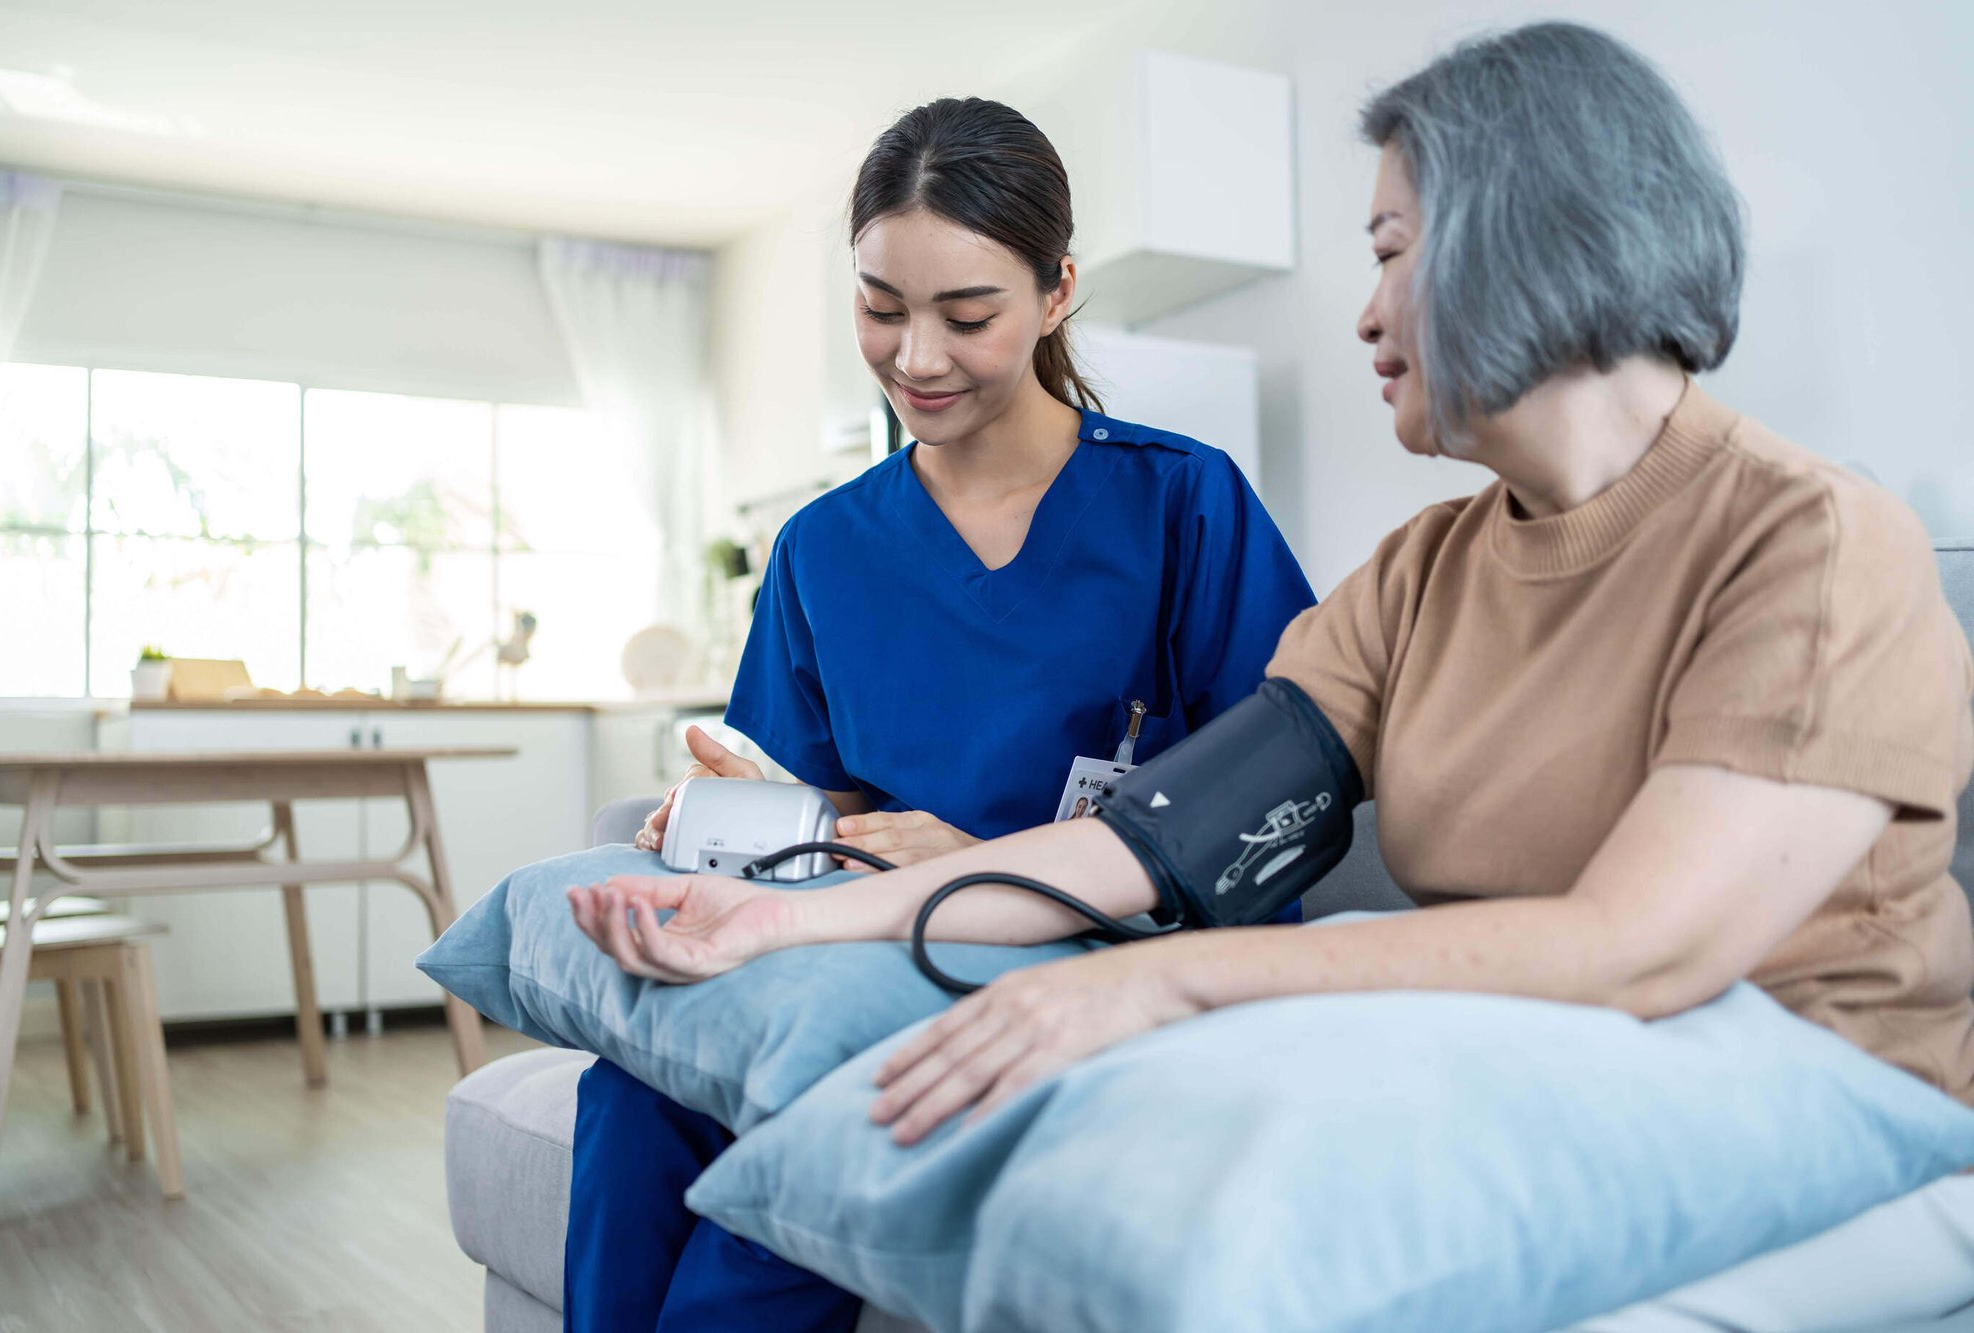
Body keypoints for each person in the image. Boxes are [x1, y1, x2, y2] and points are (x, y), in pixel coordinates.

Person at [576, 15, 1974, 1199]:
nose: (1363, 316)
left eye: (1387, 251)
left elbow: (1643, 941)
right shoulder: (1426, 573)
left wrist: (1163, 986)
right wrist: (783, 921)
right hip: (1526, 1054)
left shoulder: (1816, 540)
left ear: (1535, 239)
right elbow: (1161, 841)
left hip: (1809, 1089)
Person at [562, 96, 1315, 1332]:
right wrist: (722, 821)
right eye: (879, 308)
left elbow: (1274, 804)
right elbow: (815, 799)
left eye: (967, 316)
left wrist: (995, 868)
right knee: (633, 1088)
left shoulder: (1183, 506)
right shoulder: (821, 548)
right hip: (854, 933)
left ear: (1057, 290)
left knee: (813, 1112)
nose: (915, 358)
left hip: (1083, 955)